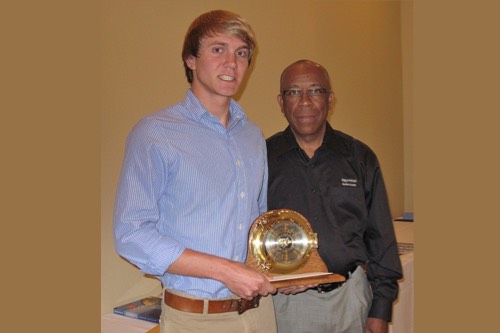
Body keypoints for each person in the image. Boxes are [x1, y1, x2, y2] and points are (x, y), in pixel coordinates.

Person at [113, 10, 276, 333]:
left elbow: (259, 218)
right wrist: (225, 271)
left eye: (241, 53)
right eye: (218, 49)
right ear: (190, 59)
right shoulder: (156, 132)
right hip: (195, 319)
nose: (232, 63)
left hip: (260, 314)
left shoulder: (253, 136)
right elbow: (131, 234)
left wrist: (285, 268)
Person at [266, 59, 403, 333]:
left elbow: (380, 236)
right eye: (293, 92)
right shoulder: (262, 159)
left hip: (351, 298)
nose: (304, 101)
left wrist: (380, 310)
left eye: (315, 91)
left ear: (330, 99)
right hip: (288, 306)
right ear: (281, 102)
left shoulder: (359, 157)